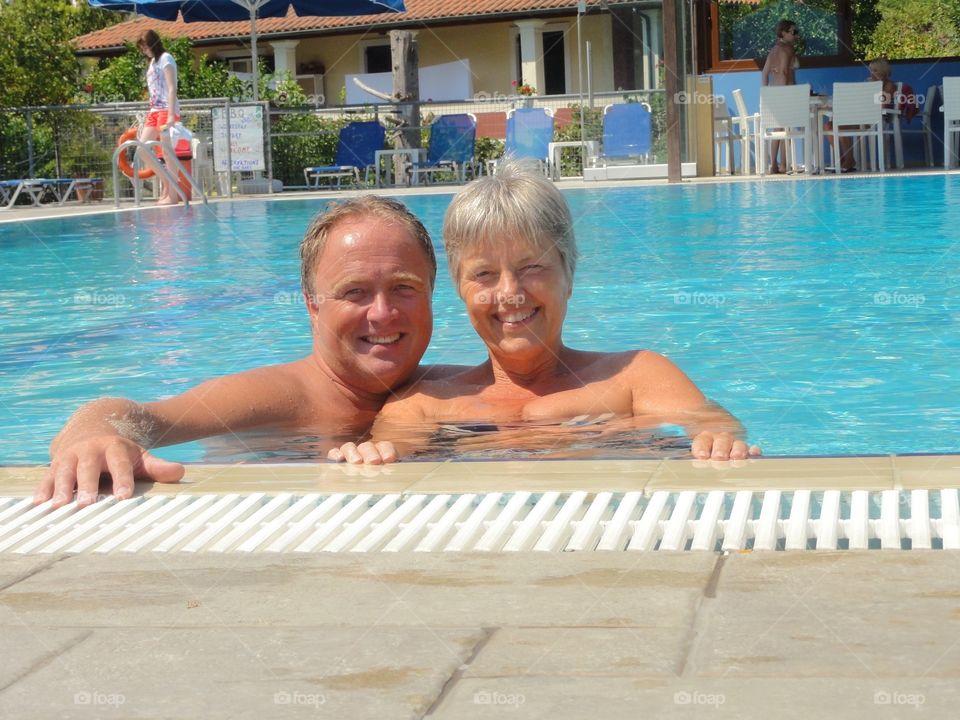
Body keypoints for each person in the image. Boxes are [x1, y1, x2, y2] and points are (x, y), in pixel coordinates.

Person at [329, 160, 762, 465]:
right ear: (460, 289)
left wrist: (718, 442)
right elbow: (388, 456)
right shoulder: (423, 406)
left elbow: (713, 426)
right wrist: (370, 456)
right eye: (484, 274)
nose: (510, 293)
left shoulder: (635, 378)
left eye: (532, 267)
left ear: (568, 274)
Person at [34, 196, 449, 507]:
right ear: (312, 306)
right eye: (354, 292)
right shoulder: (280, 396)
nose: (382, 313)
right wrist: (92, 439)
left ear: (431, 295)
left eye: (404, 288)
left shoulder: (456, 390)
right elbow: (135, 416)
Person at [136, 30, 182, 205]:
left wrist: (170, 115)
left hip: (166, 110)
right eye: (142, 48)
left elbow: (172, 88)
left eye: (145, 46)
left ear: (153, 43)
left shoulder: (165, 59)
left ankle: (173, 195)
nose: (144, 50)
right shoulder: (152, 62)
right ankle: (167, 182)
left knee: (168, 153)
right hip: (154, 111)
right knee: (141, 149)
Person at [761, 19, 799, 174]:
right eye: (794, 32)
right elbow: (783, 72)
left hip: (774, 92)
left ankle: (774, 165)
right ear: (783, 32)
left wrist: (766, 94)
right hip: (785, 91)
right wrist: (787, 93)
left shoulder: (774, 50)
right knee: (785, 128)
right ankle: (783, 165)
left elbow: (764, 74)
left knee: (778, 128)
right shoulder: (786, 49)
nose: (796, 35)